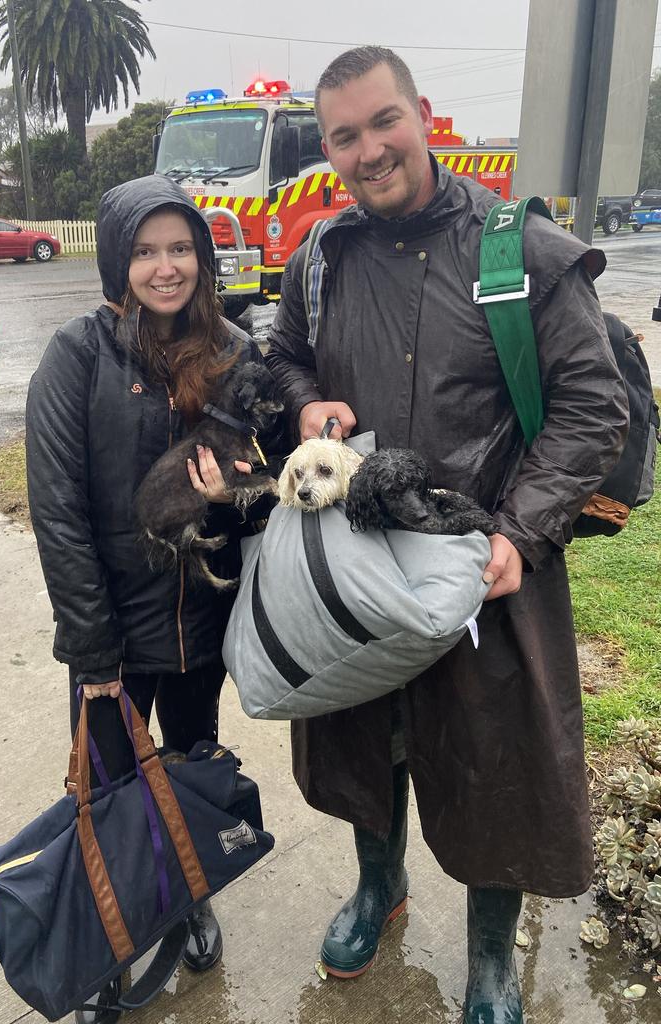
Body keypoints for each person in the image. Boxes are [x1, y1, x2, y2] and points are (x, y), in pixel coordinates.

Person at [265, 46, 629, 1023]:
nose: (368, 149)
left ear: (423, 113)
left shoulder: (522, 252)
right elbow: (285, 361)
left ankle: (490, 962)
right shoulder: (319, 256)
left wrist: (521, 531)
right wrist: (307, 406)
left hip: (490, 569)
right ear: (328, 147)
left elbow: (595, 408)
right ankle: (379, 887)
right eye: (344, 135)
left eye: (384, 121)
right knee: (362, 736)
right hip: (359, 566)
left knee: (492, 763)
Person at [26, 174, 277, 1022]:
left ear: (204, 260)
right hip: (116, 635)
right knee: (105, 792)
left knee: (192, 767)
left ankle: (187, 894)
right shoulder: (78, 353)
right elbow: (58, 512)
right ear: (116, 258)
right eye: (145, 251)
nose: (165, 269)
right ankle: (109, 947)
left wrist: (234, 494)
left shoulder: (239, 350)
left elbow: (271, 490)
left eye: (181, 250)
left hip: (201, 626)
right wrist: (92, 655)